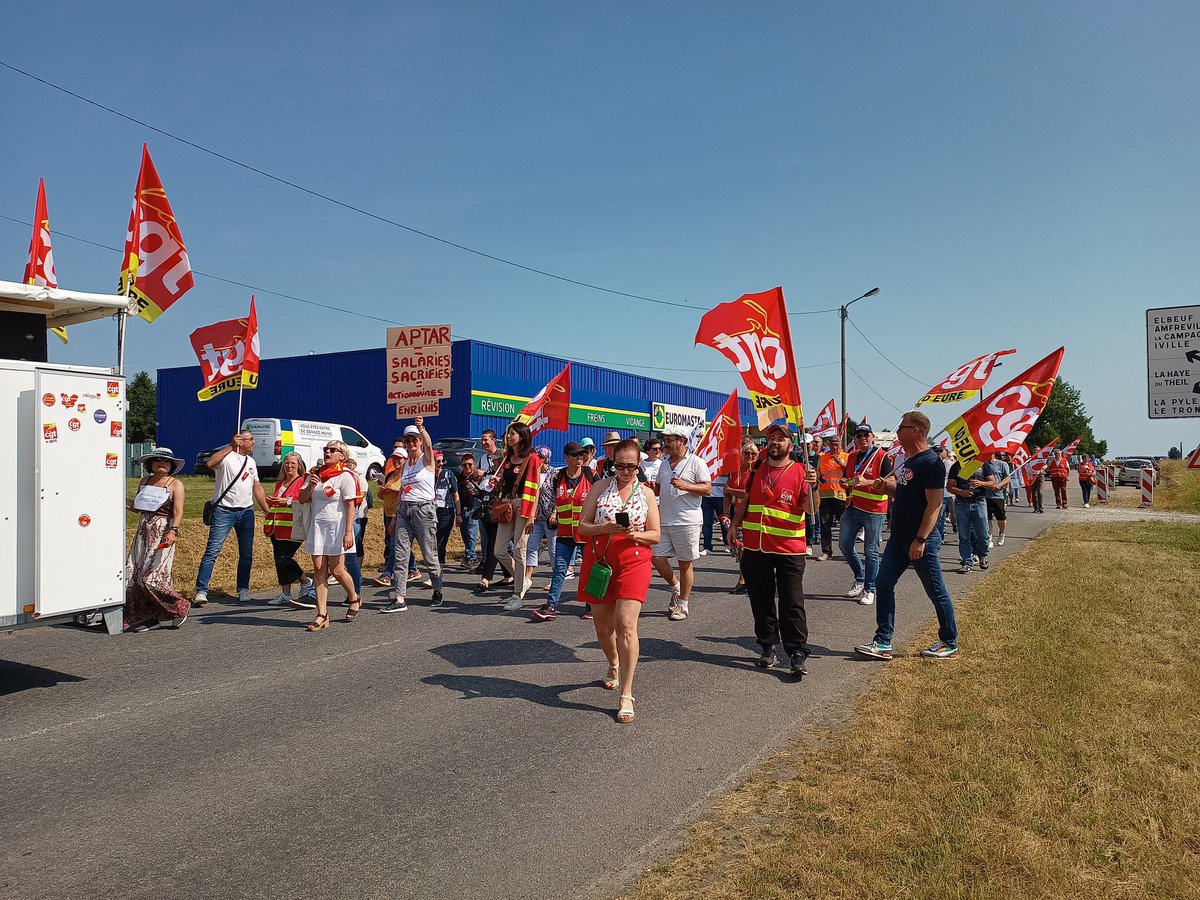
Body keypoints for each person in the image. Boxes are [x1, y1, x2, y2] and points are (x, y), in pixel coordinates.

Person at [855, 411, 959, 660]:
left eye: (902, 428)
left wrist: (921, 539)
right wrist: (882, 485)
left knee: (935, 590)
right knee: (883, 583)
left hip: (919, 539)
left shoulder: (931, 463)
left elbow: (934, 505)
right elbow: (904, 492)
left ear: (917, 431)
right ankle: (883, 642)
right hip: (898, 537)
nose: (897, 432)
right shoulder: (909, 461)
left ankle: (949, 641)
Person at [576, 439, 661, 724]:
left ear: (639, 465)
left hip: (634, 560)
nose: (625, 471)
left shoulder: (647, 493)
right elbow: (582, 527)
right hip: (600, 559)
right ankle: (613, 663)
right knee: (603, 628)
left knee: (626, 625)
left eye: (631, 466)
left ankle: (627, 693)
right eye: (620, 465)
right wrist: (606, 527)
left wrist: (637, 534)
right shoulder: (600, 487)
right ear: (612, 462)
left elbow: (656, 535)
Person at [730, 423, 813, 677]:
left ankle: (797, 652)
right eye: (772, 438)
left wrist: (814, 486)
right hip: (756, 546)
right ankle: (767, 646)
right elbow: (745, 499)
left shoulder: (801, 471)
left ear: (791, 445)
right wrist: (734, 524)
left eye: (781, 438)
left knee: (792, 601)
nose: (775, 442)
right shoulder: (756, 468)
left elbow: (811, 510)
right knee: (761, 599)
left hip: (789, 547)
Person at [194, 430, 270, 605]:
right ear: (240, 441)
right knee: (213, 550)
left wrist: (267, 510)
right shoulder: (226, 458)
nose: (254, 442)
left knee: (246, 553)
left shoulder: (251, 461)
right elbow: (210, 463)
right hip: (224, 511)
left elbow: (257, 487)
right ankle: (201, 591)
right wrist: (230, 446)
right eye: (251, 439)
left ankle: (243, 588)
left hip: (246, 512)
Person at [296, 440, 361, 630]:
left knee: (337, 570)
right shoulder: (314, 474)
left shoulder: (346, 476)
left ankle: (354, 597)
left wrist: (349, 532)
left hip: (337, 528)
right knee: (318, 569)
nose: (328, 452)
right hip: (317, 527)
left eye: (333, 450)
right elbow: (302, 499)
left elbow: (350, 506)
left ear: (342, 456)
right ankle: (322, 614)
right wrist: (311, 485)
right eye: (326, 449)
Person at [382, 418, 445, 611]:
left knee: (429, 556)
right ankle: (400, 598)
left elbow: (428, 443)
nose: (411, 444)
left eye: (414, 440)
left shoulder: (427, 460)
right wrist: (394, 517)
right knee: (400, 556)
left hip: (423, 510)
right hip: (404, 511)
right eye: (407, 441)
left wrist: (421, 429)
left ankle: (438, 589)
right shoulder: (406, 465)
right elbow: (402, 490)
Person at [124, 447, 189, 632]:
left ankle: (179, 606)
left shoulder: (175, 484)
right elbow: (137, 507)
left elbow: (178, 511)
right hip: (143, 530)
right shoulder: (145, 481)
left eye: (166, 461)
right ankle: (149, 617)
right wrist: (118, 498)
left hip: (162, 530)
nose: (162, 463)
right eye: (158, 460)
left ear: (171, 465)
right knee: (133, 574)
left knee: (151, 577)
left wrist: (173, 531)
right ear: (150, 464)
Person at [651, 430, 712, 620]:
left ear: (683, 441)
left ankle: (683, 605)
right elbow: (660, 488)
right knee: (657, 558)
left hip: (687, 520)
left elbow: (707, 488)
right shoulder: (664, 464)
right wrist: (652, 488)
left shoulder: (697, 462)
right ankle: (677, 588)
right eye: (664, 440)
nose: (665, 444)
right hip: (664, 519)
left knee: (684, 563)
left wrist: (686, 486)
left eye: (669, 441)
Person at [533, 441, 596, 620]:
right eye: (575, 455)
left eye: (582, 455)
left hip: (586, 532)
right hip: (565, 533)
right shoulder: (558, 476)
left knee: (588, 569)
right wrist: (553, 512)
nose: (580, 458)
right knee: (559, 570)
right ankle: (551, 607)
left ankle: (590, 607)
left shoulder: (591, 475)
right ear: (566, 457)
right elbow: (553, 498)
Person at [839, 423, 893, 607]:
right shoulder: (852, 456)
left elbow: (891, 483)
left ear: (872, 437)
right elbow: (850, 480)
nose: (862, 438)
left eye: (865, 435)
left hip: (874, 510)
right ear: (854, 439)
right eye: (858, 435)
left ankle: (870, 589)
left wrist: (867, 481)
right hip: (853, 506)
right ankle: (860, 577)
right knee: (844, 545)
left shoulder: (882, 456)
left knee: (871, 551)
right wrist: (845, 482)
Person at [492, 422, 543, 612]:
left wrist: (531, 516)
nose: (508, 436)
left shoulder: (533, 459)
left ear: (522, 436)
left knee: (520, 549)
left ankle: (517, 595)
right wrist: (498, 481)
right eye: (508, 434)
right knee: (499, 550)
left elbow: (535, 489)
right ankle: (524, 580)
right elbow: (507, 481)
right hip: (506, 504)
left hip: (524, 505)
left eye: (512, 433)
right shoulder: (507, 457)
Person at [264, 451, 316, 606]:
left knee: (284, 558)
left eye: (293, 463)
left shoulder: (302, 481)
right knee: (279, 561)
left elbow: (304, 500)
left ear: (299, 465)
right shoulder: (279, 483)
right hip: (277, 527)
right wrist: (272, 501)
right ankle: (285, 593)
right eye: (287, 463)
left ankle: (306, 581)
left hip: (294, 528)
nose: (289, 466)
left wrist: (286, 501)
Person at [722, 439, 760, 594]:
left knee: (746, 549)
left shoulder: (757, 472)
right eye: (747, 453)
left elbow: (747, 494)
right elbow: (726, 493)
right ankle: (746, 579)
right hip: (736, 514)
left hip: (751, 513)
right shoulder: (734, 470)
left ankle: (743, 580)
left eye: (753, 453)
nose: (750, 456)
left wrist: (730, 490)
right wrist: (724, 513)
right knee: (739, 548)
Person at [947, 454, 993, 574]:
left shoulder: (983, 465)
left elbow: (992, 482)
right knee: (964, 535)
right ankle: (967, 562)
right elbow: (950, 487)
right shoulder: (956, 466)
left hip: (979, 502)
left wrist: (980, 483)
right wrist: (961, 492)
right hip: (961, 503)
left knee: (983, 534)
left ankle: (982, 555)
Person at [475, 429, 507, 589]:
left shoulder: (504, 476)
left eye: (496, 461)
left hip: (500, 514)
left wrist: (499, 481)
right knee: (497, 547)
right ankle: (510, 575)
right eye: (492, 461)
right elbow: (483, 489)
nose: (493, 462)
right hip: (487, 512)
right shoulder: (487, 467)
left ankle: (486, 579)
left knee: (492, 546)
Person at [371, 446, 407, 587]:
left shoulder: (407, 475)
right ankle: (414, 568)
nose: (396, 461)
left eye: (399, 458)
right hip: (387, 513)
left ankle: (387, 574)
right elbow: (381, 496)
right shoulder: (390, 475)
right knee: (399, 544)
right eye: (394, 458)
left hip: (399, 514)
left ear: (405, 459)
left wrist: (395, 489)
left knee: (393, 545)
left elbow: (408, 492)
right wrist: (382, 490)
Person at [525, 446, 557, 590]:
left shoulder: (554, 474)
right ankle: (528, 577)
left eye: (538, 457)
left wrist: (555, 512)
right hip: (536, 517)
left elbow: (559, 495)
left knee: (553, 548)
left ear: (544, 458)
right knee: (531, 546)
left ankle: (555, 578)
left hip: (550, 517)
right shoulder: (532, 474)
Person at [341, 457, 371, 600]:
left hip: (354, 519)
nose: (347, 466)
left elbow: (358, 499)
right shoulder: (332, 475)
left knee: (350, 556)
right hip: (335, 522)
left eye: (350, 464)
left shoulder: (356, 477)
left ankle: (355, 591)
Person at [815, 435, 848, 561]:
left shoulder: (847, 456)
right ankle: (826, 551)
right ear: (828, 445)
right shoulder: (822, 458)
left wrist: (842, 463)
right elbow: (819, 475)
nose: (835, 447)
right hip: (825, 495)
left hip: (841, 495)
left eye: (837, 444)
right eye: (832, 444)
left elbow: (851, 473)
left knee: (845, 525)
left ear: (841, 445)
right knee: (825, 525)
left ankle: (846, 550)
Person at [433, 450, 460, 566]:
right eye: (437, 461)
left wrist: (458, 514)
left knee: (440, 542)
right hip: (431, 511)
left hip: (446, 512)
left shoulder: (448, 474)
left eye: (442, 461)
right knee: (431, 542)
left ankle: (439, 573)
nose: (441, 464)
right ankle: (433, 570)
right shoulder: (427, 475)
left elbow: (455, 494)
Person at [456, 452, 482, 569]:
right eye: (465, 464)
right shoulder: (458, 478)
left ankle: (470, 557)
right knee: (465, 535)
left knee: (472, 534)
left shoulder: (478, 477)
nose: (467, 467)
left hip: (473, 510)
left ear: (474, 464)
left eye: (470, 464)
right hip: (462, 510)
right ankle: (470, 555)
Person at [986, 452, 1010, 548]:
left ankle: (1002, 533)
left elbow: (1008, 478)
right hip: (985, 495)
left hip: (998, 495)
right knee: (988, 518)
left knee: (1001, 518)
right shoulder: (982, 464)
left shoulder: (1002, 464)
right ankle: (989, 537)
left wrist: (1000, 485)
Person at [701, 473, 728, 555]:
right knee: (706, 523)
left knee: (724, 522)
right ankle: (707, 547)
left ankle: (727, 544)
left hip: (721, 495)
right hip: (706, 495)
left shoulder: (725, 460)